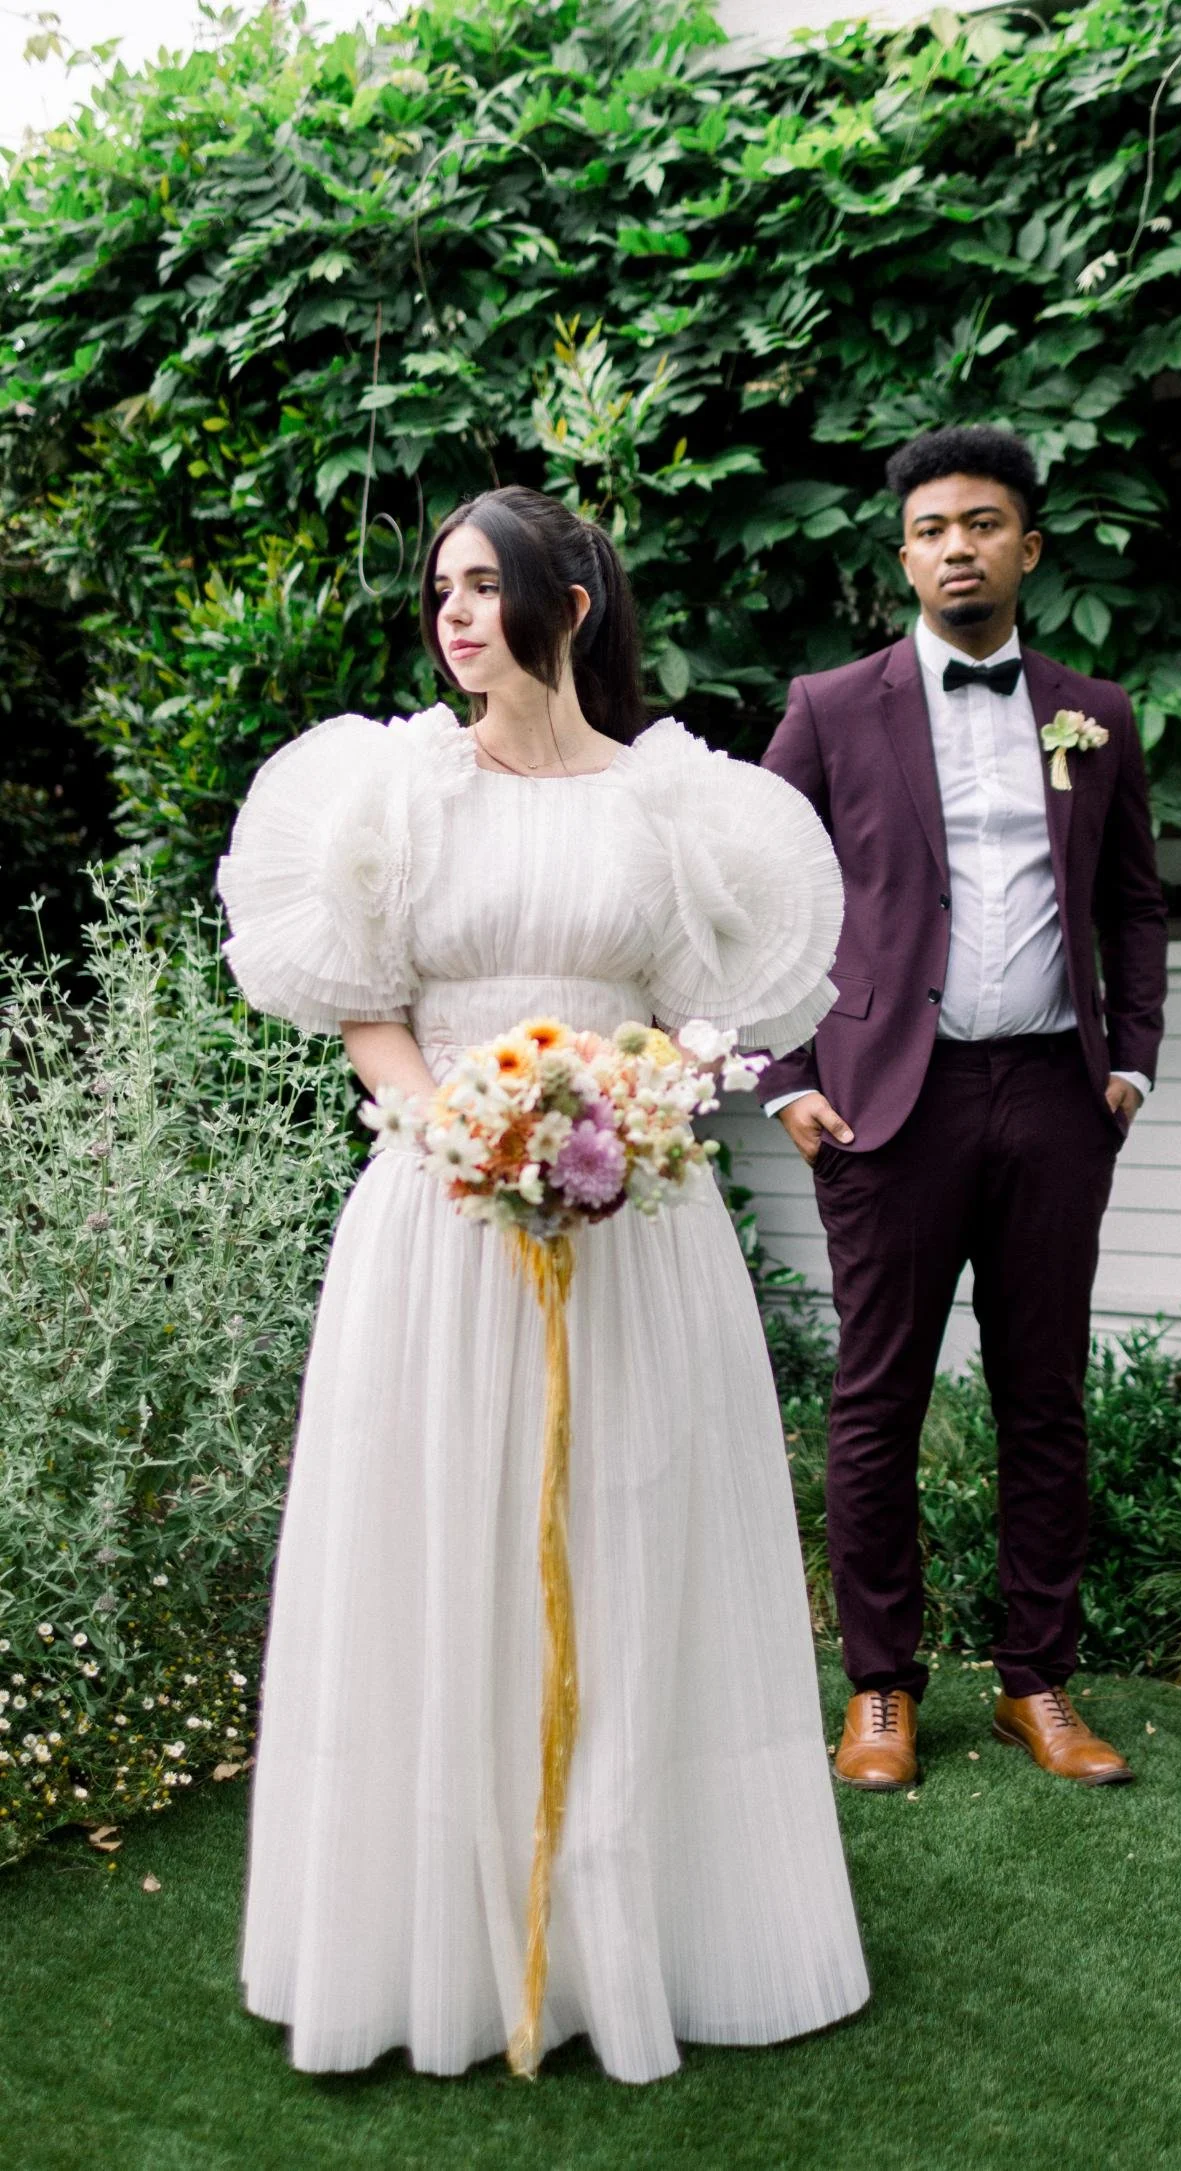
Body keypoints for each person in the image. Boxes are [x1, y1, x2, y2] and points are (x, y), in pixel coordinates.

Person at [217, 485, 868, 2084]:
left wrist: (635, 1117)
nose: (451, 615)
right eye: (438, 588)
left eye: (483, 586)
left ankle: (639, 1924)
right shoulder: (392, 788)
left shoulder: (674, 804)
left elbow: (705, 1018)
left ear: (568, 608)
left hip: (633, 1228)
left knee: (627, 1542)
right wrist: (455, 1126)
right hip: (439, 1218)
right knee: (445, 1546)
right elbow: (364, 995)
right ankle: (436, 1942)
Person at [757, 426, 1168, 1792]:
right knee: (878, 1397)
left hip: (1055, 1093)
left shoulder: (1094, 710)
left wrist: (1134, 1064)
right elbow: (752, 892)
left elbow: (1133, 904)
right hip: (888, 1109)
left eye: (983, 524)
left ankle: (1038, 1683)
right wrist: (785, 1076)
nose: (957, 547)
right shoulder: (830, 707)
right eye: (933, 528)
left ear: (1028, 547)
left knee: (1044, 1398)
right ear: (903, 554)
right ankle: (880, 1689)